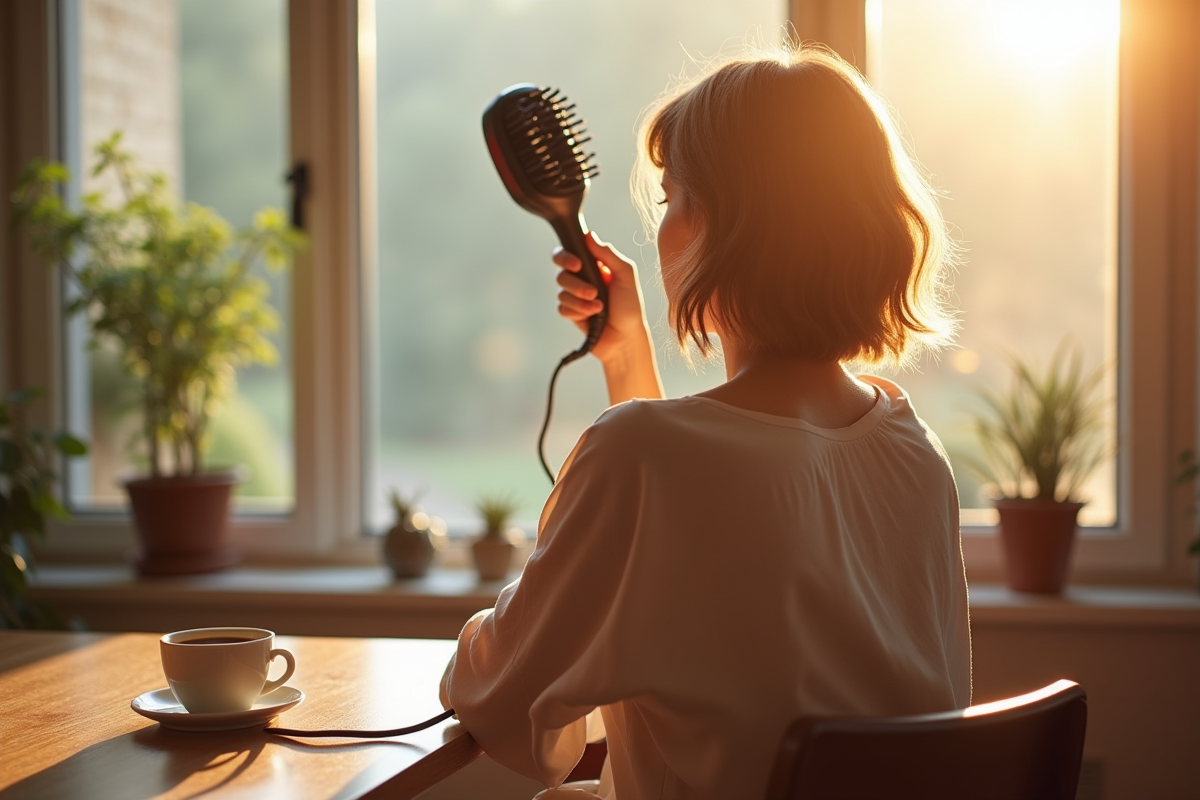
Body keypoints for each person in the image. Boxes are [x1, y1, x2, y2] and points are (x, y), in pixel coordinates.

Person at [441, 43, 971, 800]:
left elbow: (503, 701)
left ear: (730, 227)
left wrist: (471, 651)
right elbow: (716, 539)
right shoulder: (911, 450)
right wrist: (628, 360)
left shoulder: (640, 458)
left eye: (672, 199)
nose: (663, 226)